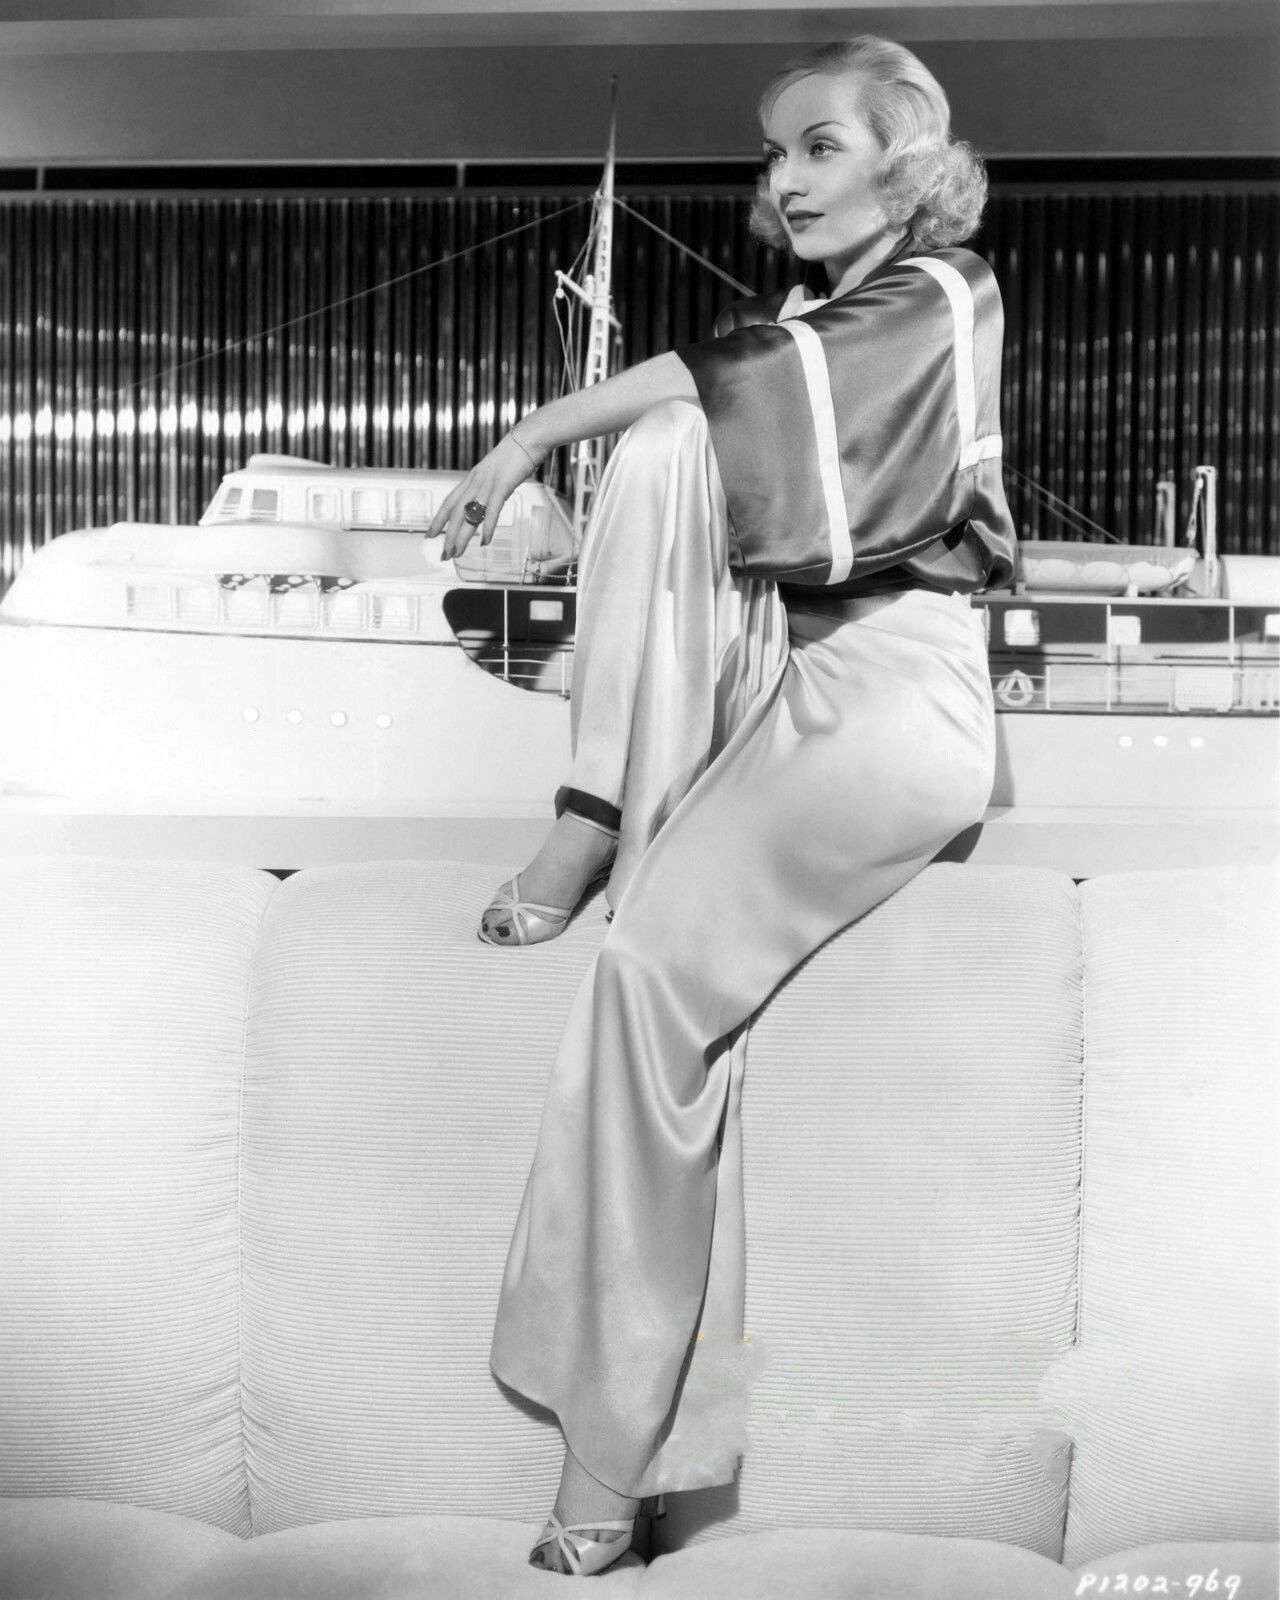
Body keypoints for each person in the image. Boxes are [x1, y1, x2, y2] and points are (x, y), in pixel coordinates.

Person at [425, 34, 1017, 1578]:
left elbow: (731, 381)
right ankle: (596, 802)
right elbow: (730, 419)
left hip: (894, 695)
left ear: (908, 159)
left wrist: (537, 429)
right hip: (774, 673)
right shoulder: (819, 317)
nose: (785, 179)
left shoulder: (946, 293)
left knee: (642, 978)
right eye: (776, 153)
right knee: (672, 441)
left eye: (821, 145)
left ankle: (608, 1458)